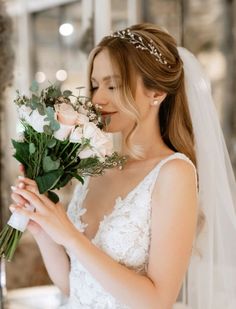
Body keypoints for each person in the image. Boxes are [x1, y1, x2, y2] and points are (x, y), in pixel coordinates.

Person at [10, 23, 236, 309]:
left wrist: (69, 235)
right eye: (95, 84)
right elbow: (75, 285)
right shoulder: (95, 169)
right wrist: (42, 227)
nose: (98, 99)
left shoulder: (174, 173)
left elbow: (158, 300)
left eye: (113, 85)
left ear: (156, 93)